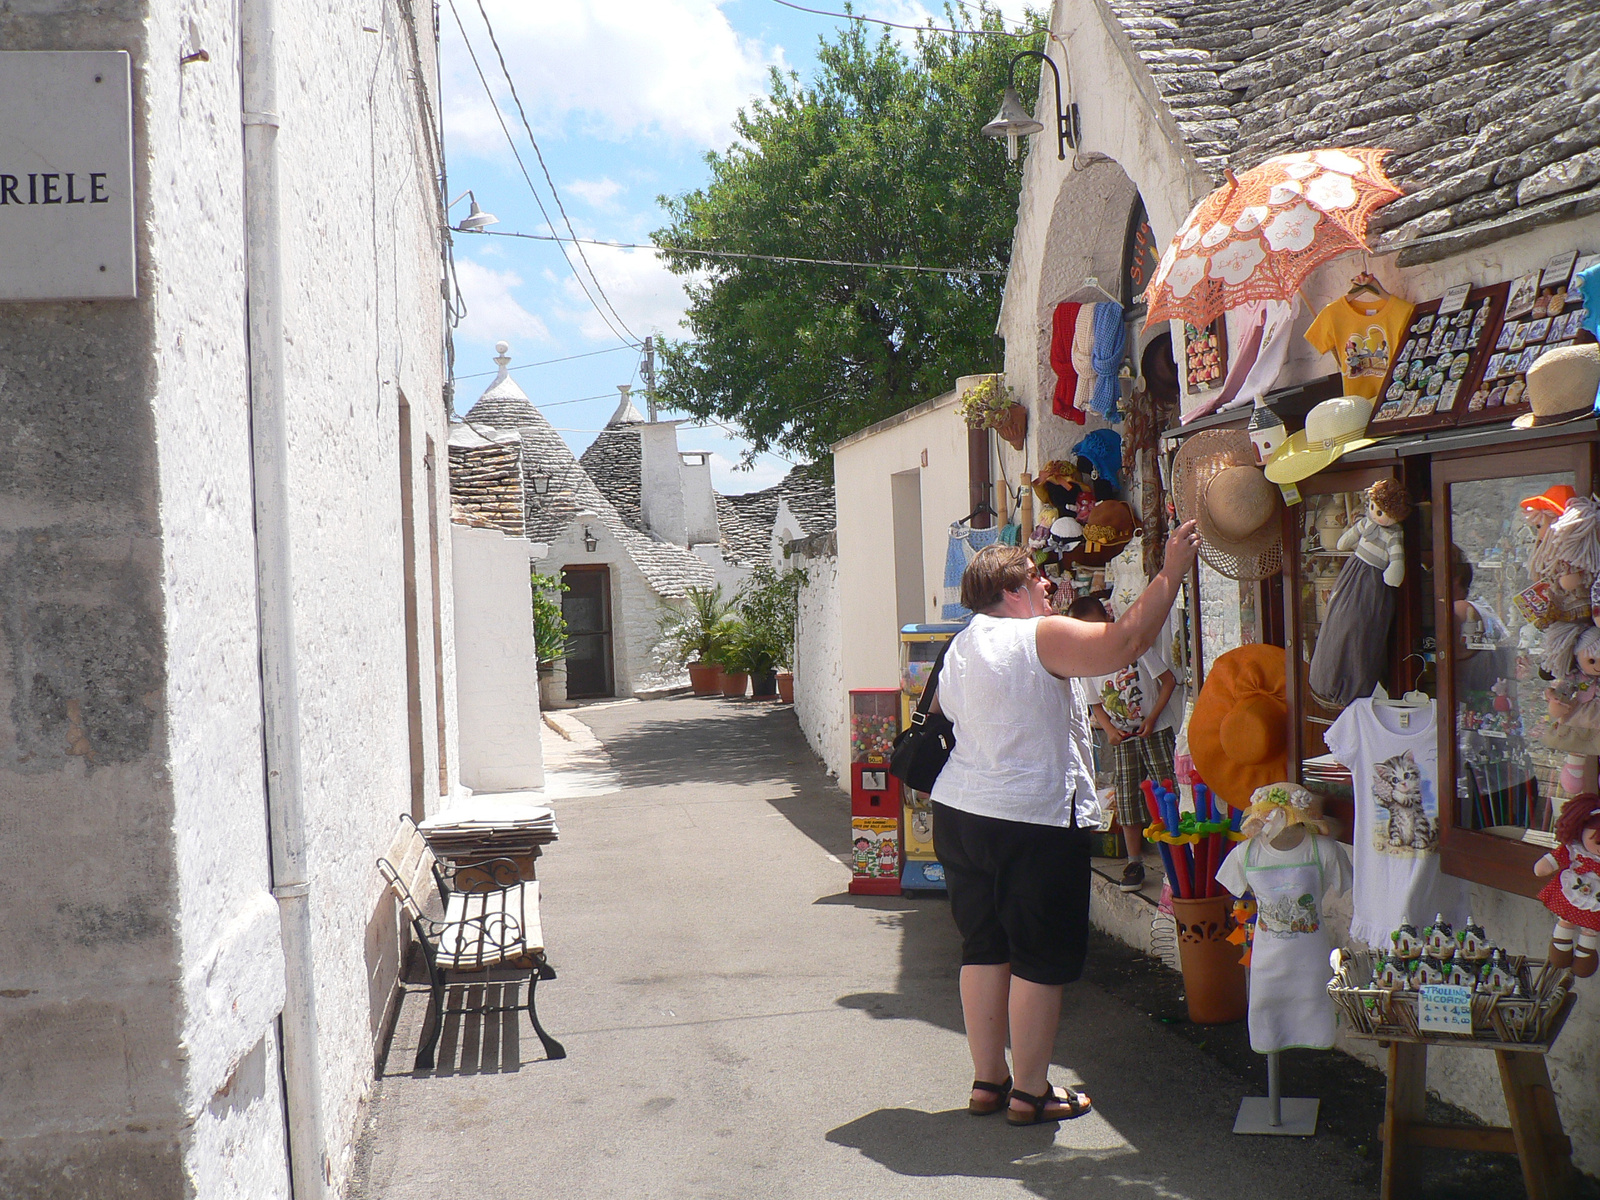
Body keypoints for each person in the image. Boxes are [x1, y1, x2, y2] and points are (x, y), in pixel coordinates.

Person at [928, 520, 1201, 1125]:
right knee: (1038, 957)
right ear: (1015, 589)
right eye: (1040, 581)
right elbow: (1125, 643)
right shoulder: (1038, 636)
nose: (1050, 588)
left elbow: (949, 712)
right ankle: (1030, 1093)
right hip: (1031, 817)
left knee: (983, 947)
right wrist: (1172, 572)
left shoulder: (961, 645)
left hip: (961, 812)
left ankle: (987, 1083)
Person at [1070, 596, 1178, 891]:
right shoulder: (1088, 663)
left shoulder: (1135, 645)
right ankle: (1134, 861)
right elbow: (1096, 705)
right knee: (1127, 797)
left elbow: (1168, 682)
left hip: (1155, 731)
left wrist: (1153, 719)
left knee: (1167, 790)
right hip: (1123, 738)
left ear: (1107, 620)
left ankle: (1177, 856)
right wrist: (1109, 731)